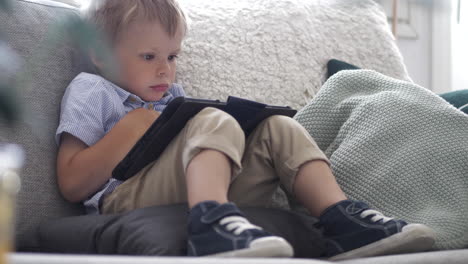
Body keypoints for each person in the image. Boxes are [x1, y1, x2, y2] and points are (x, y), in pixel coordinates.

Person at [55, 0, 435, 260]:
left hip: (191, 186)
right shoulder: (94, 90)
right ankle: (210, 225)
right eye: (149, 57)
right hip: (128, 195)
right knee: (211, 120)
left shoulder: (173, 95)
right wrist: (132, 126)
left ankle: (341, 217)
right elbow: (71, 182)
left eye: (172, 56)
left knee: (277, 126)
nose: (165, 70)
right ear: (101, 55)